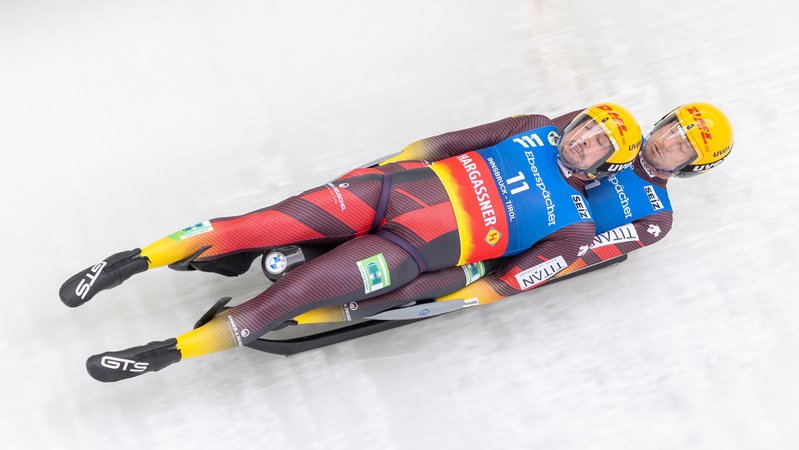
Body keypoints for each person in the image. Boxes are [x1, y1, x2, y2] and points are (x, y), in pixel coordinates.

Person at [60, 103, 642, 382]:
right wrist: (372, 171)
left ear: (603, 167)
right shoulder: (532, 127)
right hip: (387, 192)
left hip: (410, 251)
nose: (583, 139)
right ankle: (129, 261)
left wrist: (432, 295)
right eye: (586, 127)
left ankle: (167, 352)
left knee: (292, 295)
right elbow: (439, 144)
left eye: (597, 144)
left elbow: (506, 282)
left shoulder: (576, 227)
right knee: (256, 224)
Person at [431, 102, 733, 307]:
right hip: (481, 188)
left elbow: (579, 254)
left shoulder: (656, 218)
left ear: (693, 166)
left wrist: (491, 285)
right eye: (671, 128)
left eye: (682, 146)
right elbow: (532, 137)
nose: (666, 142)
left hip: (505, 240)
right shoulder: (609, 128)